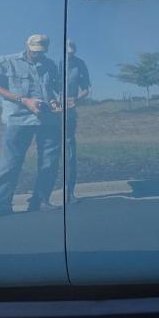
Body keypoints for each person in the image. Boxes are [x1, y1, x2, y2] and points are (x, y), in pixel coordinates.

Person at [0, 34, 63, 216]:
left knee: (49, 162)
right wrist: (24, 100)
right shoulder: (6, 61)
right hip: (18, 119)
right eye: (34, 51)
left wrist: (56, 102)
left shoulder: (50, 64)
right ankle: (0, 205)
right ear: (27, 46)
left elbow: (55, 88)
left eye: (40, 52)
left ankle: (40, 200)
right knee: (10, 163)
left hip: (47, 119)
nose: (37, 55)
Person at [64, 41, 91, 202]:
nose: (69, 56)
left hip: (70, 113)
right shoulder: (53, 63)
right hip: (49, 113)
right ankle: (41, 195)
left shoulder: (80, 64)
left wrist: (77, 99)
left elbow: (86, 88)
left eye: (72, 53)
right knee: (49, 154)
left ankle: (69, 193)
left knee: (70, 153)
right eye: (67, 53)